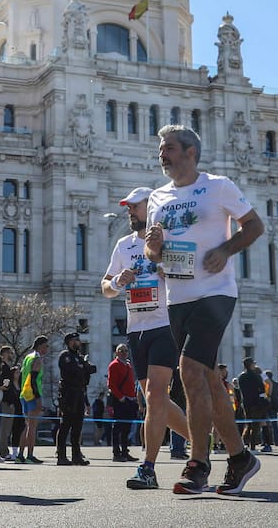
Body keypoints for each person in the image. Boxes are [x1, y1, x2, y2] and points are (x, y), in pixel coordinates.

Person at [143, 125, 265, 495]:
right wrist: (154, 247)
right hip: (177, 297)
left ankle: (198, 464)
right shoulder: (157, 197)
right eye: (161, 149)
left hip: (215, 293)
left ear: (190, 152)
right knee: (209, 381)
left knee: (190, 370)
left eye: (169, 148)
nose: (162, 155)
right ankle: (241, 458)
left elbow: (254, 226)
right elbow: (153, 254)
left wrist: (225, 250)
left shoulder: (218, 186)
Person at [102, 186, 192, 488]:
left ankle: (148, 468)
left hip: (165, 324)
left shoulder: (170, 238)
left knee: (154, 395)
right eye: (128, 207)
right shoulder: (123, 245)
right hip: (136, 329)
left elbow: (190, 273)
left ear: (151, 208)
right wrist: (118, 281)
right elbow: (105, 287)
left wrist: (169, 271)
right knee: (157, 400)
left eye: (135, 206)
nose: (130, 211)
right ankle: (201, 442)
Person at [56, 331, 96, 466]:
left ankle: (76, 456)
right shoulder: (65, 356)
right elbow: (73, 371)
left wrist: (83, 368)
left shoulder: (79, 358)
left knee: (77, 427)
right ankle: (61, 456)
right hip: (68, 395)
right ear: (69, 342)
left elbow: (90, 370)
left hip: (79, 394)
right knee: (65, 425)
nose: (77, 342)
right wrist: (83, 368)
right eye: (74, 340)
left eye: (78, 340)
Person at [17, 335, 49, 464]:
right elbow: (34, 380)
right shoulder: (37, 359)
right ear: (40, 346)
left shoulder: (27, 357)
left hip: (24, 394)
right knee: (32, 427)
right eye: (46, 346)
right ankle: (30, 455)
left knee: (27, 426)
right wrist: (38, 398)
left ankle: (20, 455)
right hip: (32, 396)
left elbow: (21, 376)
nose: (47, 348)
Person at [107, 343, 140, 463]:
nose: (124, 353)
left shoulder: (128, 365)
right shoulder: (114, 365)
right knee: (118, 428)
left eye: (126, 350)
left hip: (130, 400)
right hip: (121, 400)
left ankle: (125, 452)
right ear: (117, 352)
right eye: (121, 351)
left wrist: (134, 397)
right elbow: (111, 384)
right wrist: (120, 397)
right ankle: (116, 453)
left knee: (127, 428)